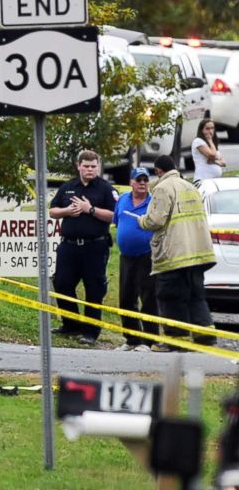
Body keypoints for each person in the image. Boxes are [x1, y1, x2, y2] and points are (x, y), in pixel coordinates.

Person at [137, 154, 217, 351]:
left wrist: (141, 220)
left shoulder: (163, 188)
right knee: (195, 296)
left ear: (157, 171)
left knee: (170, 296)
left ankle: (176, 339)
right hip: (196, 254)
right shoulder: (190, 186)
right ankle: (205, 337)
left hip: (174, 254)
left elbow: (155, 220)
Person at [48, 150, 118, 346]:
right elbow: (53, 211)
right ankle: (70, 325)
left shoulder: (105, 189)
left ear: (98, 167)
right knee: (62, 284)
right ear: (78, 166)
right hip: (69, 246)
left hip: (95, 246)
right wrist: (67, 211)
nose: (90, 170)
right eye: (86, 166)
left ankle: (90, 332)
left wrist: (91, 210)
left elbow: (115, 215)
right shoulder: (68, 187)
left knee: (94, 289)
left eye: (93, 166)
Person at [112, 166, 159, 351]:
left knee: (148, 298)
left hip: (146, 256)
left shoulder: (153, 202)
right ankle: (131, 339)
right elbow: (117, 221)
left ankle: (148, 340)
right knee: (126, 298)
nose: (142, 183)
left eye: (145, 180)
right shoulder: (123, 199)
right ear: (131, 182)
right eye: (138, 180)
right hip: (126, 256)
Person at [192, 118, 225, 183]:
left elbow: (223, 162)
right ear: (201, 130)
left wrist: (215, 162)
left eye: (212, 128)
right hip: (203, 179)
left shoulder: (213, 145)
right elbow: (212, 155)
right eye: (207, 129)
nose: (210, 131)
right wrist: (210, 141)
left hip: (215, 180)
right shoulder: (198, 141)